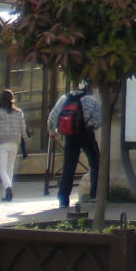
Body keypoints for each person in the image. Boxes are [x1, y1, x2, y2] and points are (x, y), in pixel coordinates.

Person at [47, 82, 101, 210]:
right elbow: (98, 121)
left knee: (68, 167)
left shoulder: (64, 98)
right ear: (88, 87)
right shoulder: (91, 100)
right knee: (95, 162)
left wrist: (52, 131)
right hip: (86, 134)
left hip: (70, 136)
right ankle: (94, 195)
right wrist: (90, 125)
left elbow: (52, 117)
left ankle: (63, 199)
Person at [0, 89, 28, 203]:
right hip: (15, 142)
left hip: (2, 142)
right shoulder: (19, 112)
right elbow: (23, 128)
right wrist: (24, 139)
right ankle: (6, 194)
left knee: (2, 168)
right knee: (10, 167)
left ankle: (8, 188)